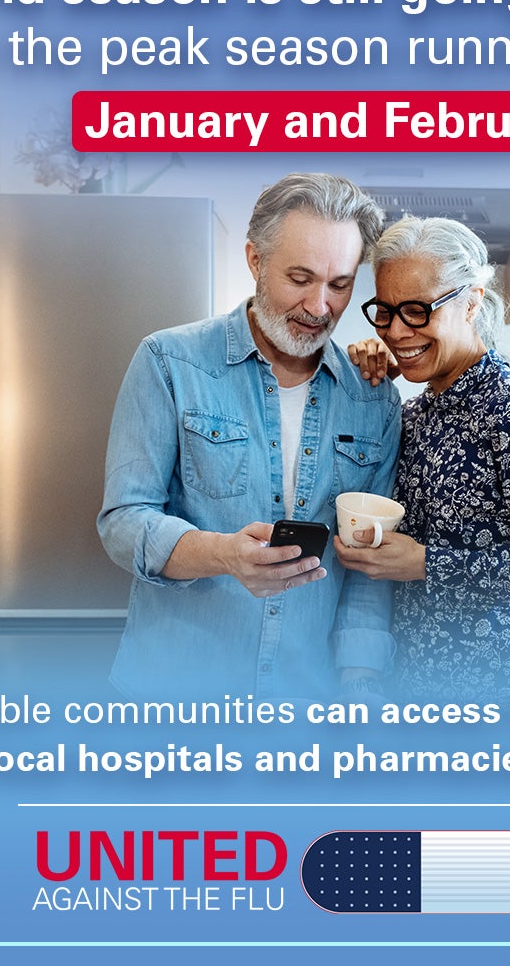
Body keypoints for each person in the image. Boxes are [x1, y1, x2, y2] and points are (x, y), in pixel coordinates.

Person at [97, 174, 401, 701]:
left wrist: (361, 684)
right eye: (300, 277)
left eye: (340, 283)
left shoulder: (372, 398)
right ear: (255, 260)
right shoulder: (170, 363)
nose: (319, 305)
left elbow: (365, 572)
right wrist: (222, 554)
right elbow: (124, 521)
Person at [337, 216, 510, 701]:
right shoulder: (418, 410)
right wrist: (367, 386)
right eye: (384, 313)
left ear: (471, 301)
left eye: (416, 310)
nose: (395, 330)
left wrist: (429, 564)